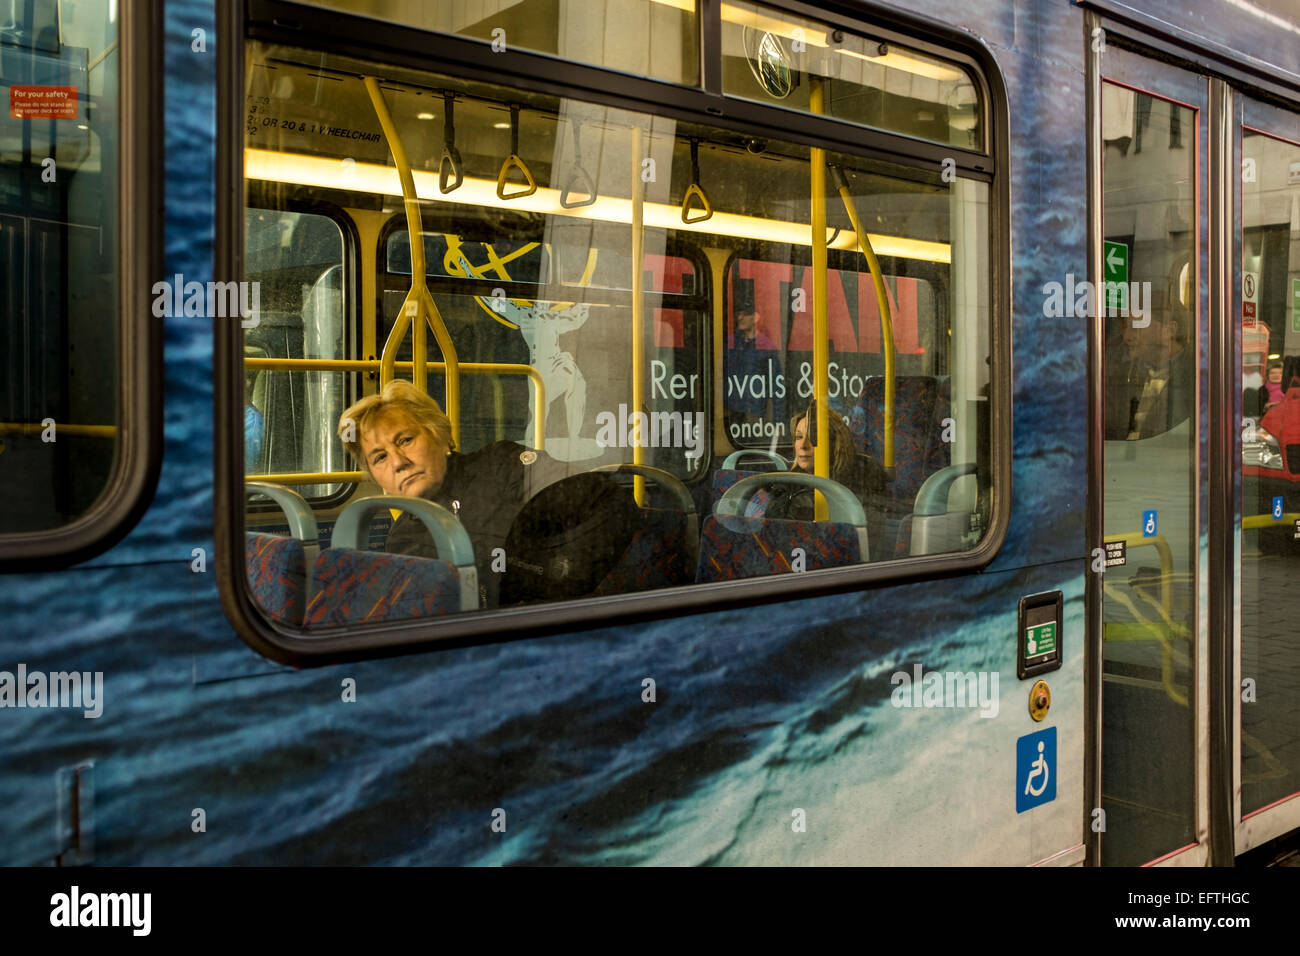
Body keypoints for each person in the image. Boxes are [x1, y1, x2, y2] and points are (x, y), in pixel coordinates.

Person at [339, 380, 633, 608]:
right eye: (379, 458)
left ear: (441, 436)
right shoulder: (402, 538)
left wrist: (558, 591)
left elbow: (606, 500)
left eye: (405, 440)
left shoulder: (501, 468)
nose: (398, 462)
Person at [750, 404, 885, 524]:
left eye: (813, 438)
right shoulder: (787, 483)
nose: (803, 445)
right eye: (799, 437)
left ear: (835, 441)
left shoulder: (861, 474)